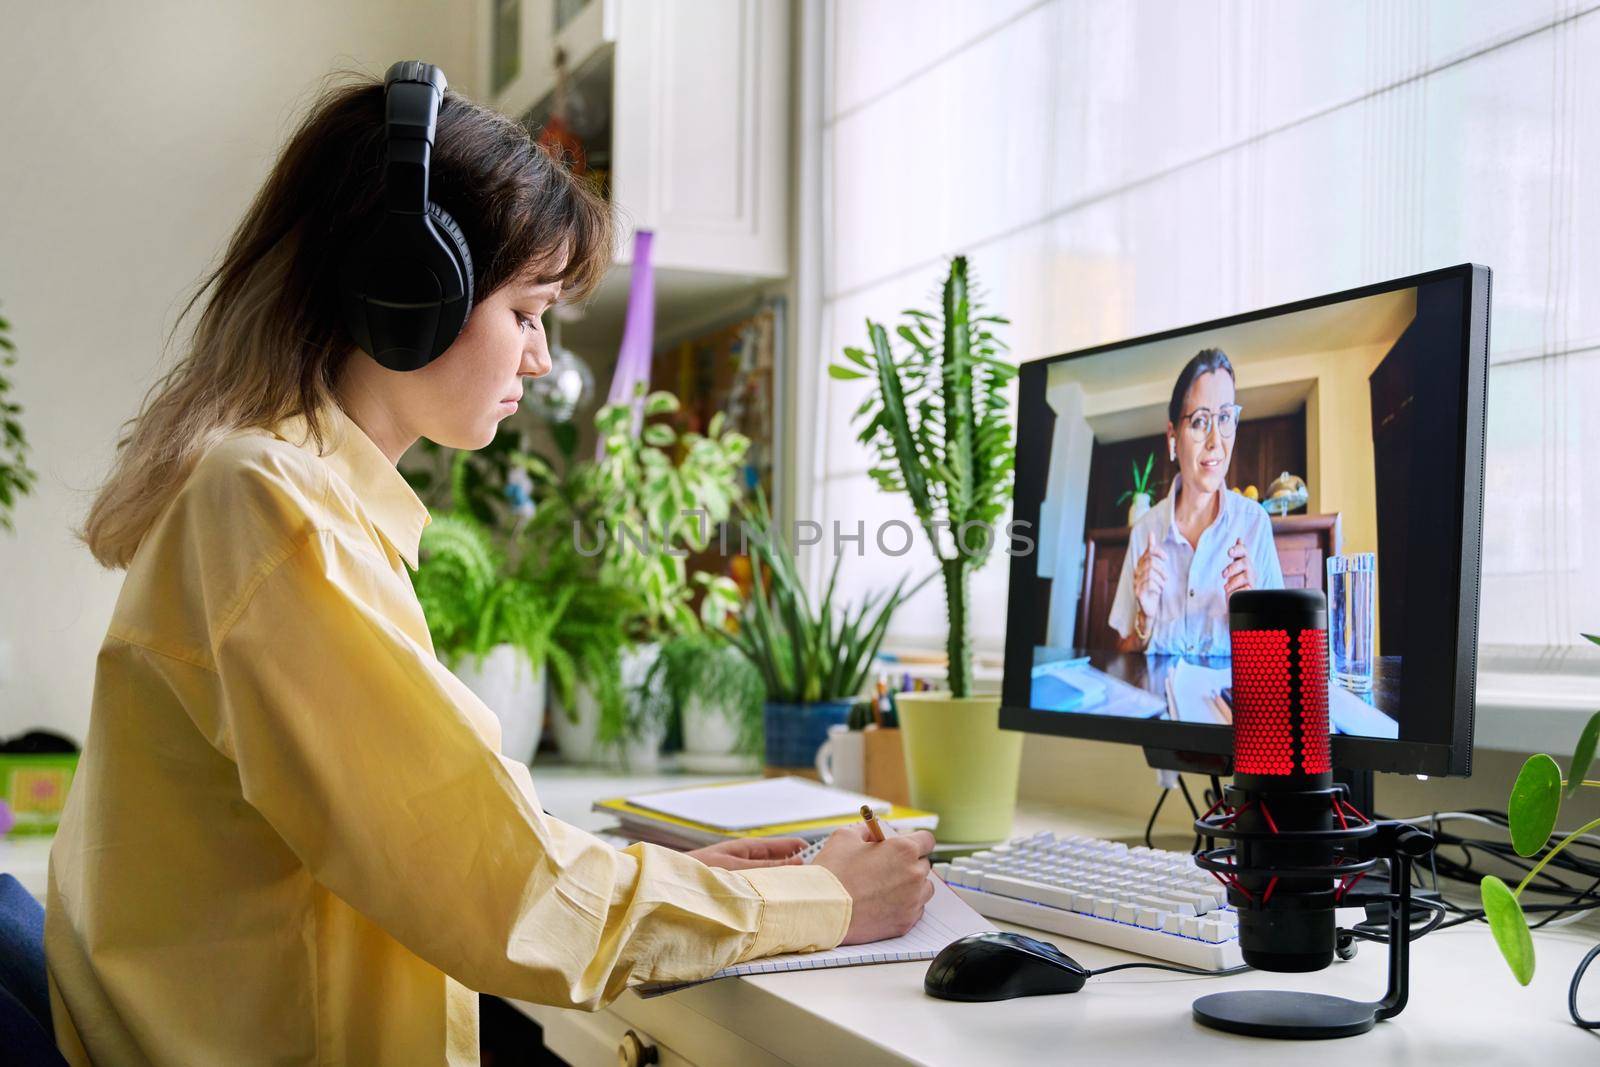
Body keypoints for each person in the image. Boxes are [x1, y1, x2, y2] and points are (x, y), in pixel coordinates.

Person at [51, 72, 934, 1066]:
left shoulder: (275, 488)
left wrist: (669, 876)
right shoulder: (270, 506)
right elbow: (500, 890)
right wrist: (822, 896)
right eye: (526, 310)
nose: (542, 358)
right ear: (405, 294)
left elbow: (449, 840)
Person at [1109, 348, 1283, 657]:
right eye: (1201, 421)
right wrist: (1144, 620)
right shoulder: (1144, 532)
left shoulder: (1255, 523)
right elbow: (1122, 653)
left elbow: (1277, 662)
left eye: (1226, 417)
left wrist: (1254, 617)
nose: (1217, 440)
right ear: (1173, 438)